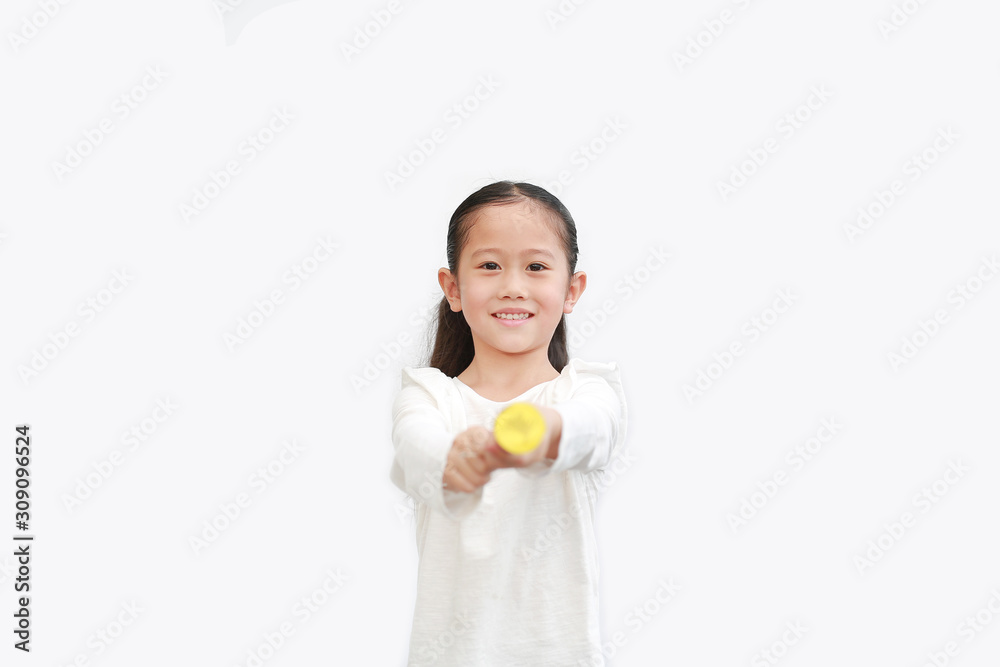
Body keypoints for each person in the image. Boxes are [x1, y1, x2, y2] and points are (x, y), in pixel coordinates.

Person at [390, 180, 628, 666]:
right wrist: (458, 462)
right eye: (489, 266)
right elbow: (418, 449)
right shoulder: (429, 396)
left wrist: (541, 432)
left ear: (571, 289)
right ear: (453, 288)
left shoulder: (585, 390)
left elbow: (591, 430)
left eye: (537, 266)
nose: (513, 286)